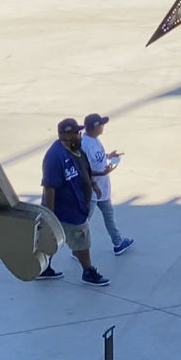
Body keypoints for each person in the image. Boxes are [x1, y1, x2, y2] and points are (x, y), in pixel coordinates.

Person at [38, 118, 109, 286]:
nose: (79, 135)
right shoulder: (55, 156)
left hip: (76, 206)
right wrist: (50, 216)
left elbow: (84, 169)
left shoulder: (76, 150)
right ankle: (88, 271)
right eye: (75, 133)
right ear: (65, 135)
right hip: (65, 210)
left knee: (53, 239)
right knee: (81, 239)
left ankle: (43, 268)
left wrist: (92, 185)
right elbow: (49, 188)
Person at [77, 113, 133, 255]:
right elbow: (83, 169)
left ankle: (118, 243)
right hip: (92, 191)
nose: (103, 127)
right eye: (101, 125)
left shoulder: (94, 140)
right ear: (94, 127)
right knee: (84, 222)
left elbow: (97, 159)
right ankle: (77, 249)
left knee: (109, 215)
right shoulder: (84, 145)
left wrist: (108, 156)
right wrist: (100, 174)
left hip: (103, 189)